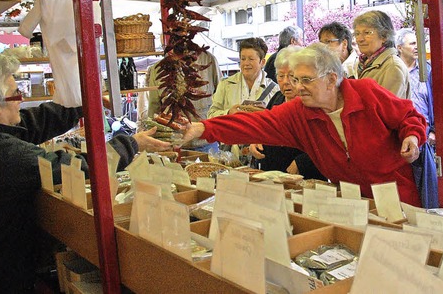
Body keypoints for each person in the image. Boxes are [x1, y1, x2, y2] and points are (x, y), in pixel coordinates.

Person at [0, 53, 170, 293]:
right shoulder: (0, 153)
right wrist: (132, 144)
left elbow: (33, 125)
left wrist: (80, 104)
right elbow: (77, 167)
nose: (21, 100)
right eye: (16, 94)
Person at [182, 43, 427, 205]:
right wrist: (203, 128)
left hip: (397, 196)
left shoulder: (366, 92)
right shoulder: (299, 112)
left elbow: (409, 116)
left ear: (332, 79)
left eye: (306, 80)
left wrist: (412, 136)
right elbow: (255, 122)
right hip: (352, 202)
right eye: (296, 79)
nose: (298, 87)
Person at [248, 46, 325, 180]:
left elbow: (323, 141)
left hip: (304, 179)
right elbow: (264, 127)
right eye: (281, 76)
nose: (285, 82)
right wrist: (255, 140)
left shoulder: (313, 103)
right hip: (272, 177)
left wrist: (302, 162)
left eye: (290, 75)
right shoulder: (277, 97)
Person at [395, 28, 438, 208]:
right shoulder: (395, 70)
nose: (417, 47)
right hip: (400, 136)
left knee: (426, 185)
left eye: (419, 43)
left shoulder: (427, 70)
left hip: (424, 135)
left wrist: (434, 130)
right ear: (399, 47)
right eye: (412, 43)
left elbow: (436, 100)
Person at [147, 51, 222, 153]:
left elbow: (220, 97)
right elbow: (154, 109)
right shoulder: (158, 69)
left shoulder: (209, 60)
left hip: (206, 143)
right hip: (174, 145)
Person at [207, 37, 279, 118]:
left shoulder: (275, 90)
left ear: (262, 62)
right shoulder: (225, 85)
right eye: (243, 59)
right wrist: (228, 112)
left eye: (251, 59)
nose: (246, 63)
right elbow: (210, 115)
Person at [353, 10, 410, 99]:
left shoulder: (392, 67)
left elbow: (387, 109)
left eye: (367, 33)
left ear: (384, 36)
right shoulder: (365, 63)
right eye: (357, 33)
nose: (360, 39)